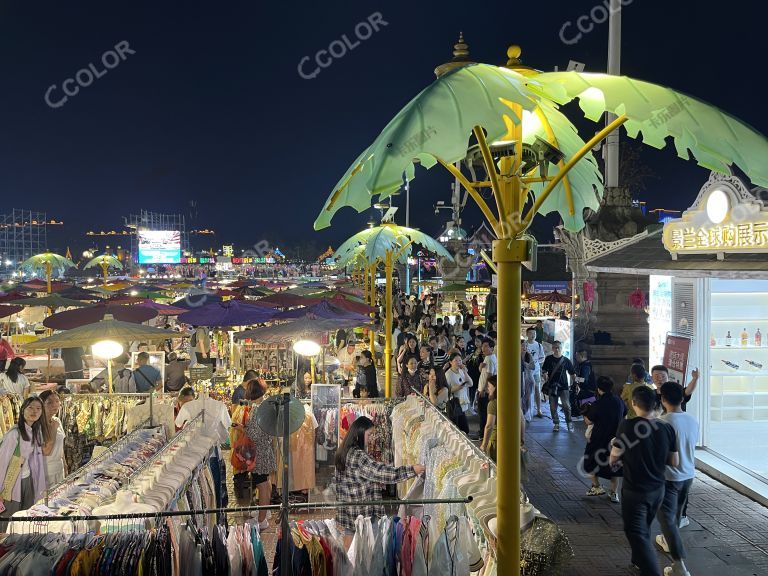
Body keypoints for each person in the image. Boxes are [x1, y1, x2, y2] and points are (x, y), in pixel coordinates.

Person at [610, 386, 679, 576]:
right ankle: (638, 561)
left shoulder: (626, 426)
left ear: (633, 403)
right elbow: (674, 461)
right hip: (658, 489)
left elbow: (613, 458)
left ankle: (650, 571)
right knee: (645, 526)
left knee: (636, 532)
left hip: (635, 490)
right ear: (655, 404)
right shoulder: (666, 428)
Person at [334, 416, 424, 547]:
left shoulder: (343, 451)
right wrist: (412, 470)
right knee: (364, 554)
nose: (371, 439)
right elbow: (382, 473)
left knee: (350, 548)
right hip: (361, 514)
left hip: (348, 511)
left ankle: (347, 567)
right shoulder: (358, 456)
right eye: (369, 434)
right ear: (359, 432)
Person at [654, 382, 698, 576]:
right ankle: (668, 542)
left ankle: (680, 566)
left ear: (663, 400)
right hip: (688, 475)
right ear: (682, 398)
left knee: (667, 520)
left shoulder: (661, 423)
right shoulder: (692, 420)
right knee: (675, 519)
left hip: (669, 477)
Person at [0, 396, 47, 531]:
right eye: (30, 407)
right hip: (11, 483)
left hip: (27, 480)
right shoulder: (14, 434)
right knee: (8, 520)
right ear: (22, 411)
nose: (34, 411)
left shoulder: (35, 431)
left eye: (38, 408)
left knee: (24, 518)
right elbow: (1, 462)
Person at [582, 376, 625, 503]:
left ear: (599, 389)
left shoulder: (598, 403)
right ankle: (614, 493)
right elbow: (624, 413)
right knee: (615, 466)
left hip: (598, 439)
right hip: (615, 439)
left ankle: (596, 487)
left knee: (590, 462)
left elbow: (589, 420)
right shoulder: (619, 401)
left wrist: (585, 412)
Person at [244, 381, 276, 530]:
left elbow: (255, 434)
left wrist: (245, 429)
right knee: (266, 481)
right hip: (266, 449)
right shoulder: (265, 407)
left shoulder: (256, 409)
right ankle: (266, 512)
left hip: (260, 451)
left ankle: (262, 520)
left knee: (261, 484)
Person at [542, 341, 576, 432]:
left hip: (564, 386)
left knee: (566, 405)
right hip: (552, 386)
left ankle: (569, 422)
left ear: (561, 348)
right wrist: (545, 377)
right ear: (552, 348)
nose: (557, 349)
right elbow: (544, 370)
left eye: (559, 347)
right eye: (555, 347)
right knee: (553, 406)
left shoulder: (566, 360)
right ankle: (556, 423)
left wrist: (574, 384)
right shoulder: (549, 359)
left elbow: (572, 373)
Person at [40, 390, 66, 486]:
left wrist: (65, 466)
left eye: (57, 401)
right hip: (46, 471)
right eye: (49, 402)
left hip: (59, 468)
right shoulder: (38, 425)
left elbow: (61, 446)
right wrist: (53, 428)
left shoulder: (57, 420)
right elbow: (46, 450)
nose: (54, 405)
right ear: (42, 404)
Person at [524, 328, 546, 418]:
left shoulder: (539, 345)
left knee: (537, 389)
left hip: (536, 370)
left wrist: (536, 361)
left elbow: (542, 357)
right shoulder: (524, 344)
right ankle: (526, 408)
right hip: (526, 370)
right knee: (526, 390)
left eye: (534, 333)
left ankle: (539, 409)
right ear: (527, 334)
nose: (533, 335)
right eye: (531, 333)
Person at [476, 338, 497, 431]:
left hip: (485, 390)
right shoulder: (488, 357)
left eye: (486, 346)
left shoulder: (490, 358)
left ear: (492, 348)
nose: (483, 348)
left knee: (483, 413)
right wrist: (480, 367)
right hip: (483, 388)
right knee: (483, 412)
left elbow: (490, 375)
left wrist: (484, 389)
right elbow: (483, 372)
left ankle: (482, 433)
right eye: (482, 346)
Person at [573, 350, 596, 420]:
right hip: (587, 390)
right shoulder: (585, 365)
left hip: (587, 391)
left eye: (577, 356)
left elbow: (584, 380)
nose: (575, 358)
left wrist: (575, 378)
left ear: (582, 356)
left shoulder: (585, 366)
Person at [479, 375, 498, 461]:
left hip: (496, 441)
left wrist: (484, 445)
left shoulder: (493, 404)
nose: (487, 388)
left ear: (495, 387)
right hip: (512, 439)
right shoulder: (513, 400)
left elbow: (489, 426)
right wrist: (521, 440)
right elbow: (522, 420)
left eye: (489, 386)